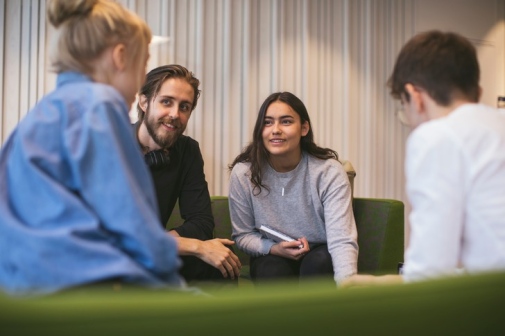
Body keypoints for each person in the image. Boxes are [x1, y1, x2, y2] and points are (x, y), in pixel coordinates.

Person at [0, 0, 184, 295]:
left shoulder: (39, 115)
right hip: (78, 285)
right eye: (144, 64)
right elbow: (130, 218)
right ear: (121, 57)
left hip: (18, 287)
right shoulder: (99, 103)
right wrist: (173, 282)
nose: (140, 82)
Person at [341, 30, 505, 288]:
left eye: (405, 111)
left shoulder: (436, 137)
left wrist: (372, 286)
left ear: (415, 97)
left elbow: (431, 274)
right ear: (478, 91)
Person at [228, 92, 358, 285]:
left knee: (318, 264)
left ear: (304, 128)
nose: (276, 130)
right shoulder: (243, 173)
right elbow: (243, 235)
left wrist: (349, 286)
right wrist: (273, 248)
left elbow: (341, 239)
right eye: (268, 122)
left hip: (321, 250)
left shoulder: (328, 171)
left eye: (286, 122)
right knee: (271, 270)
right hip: (271, 251)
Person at [134, 65, 241, 284]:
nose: (175, 114)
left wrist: (167, 243)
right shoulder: (111, 144)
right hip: (112, 254)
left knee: (222, 266)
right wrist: (195, 246)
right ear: (144, 102)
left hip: (155, 251)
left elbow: (202, 222)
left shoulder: (187, 151)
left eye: (184, 107)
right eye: (166, 102)